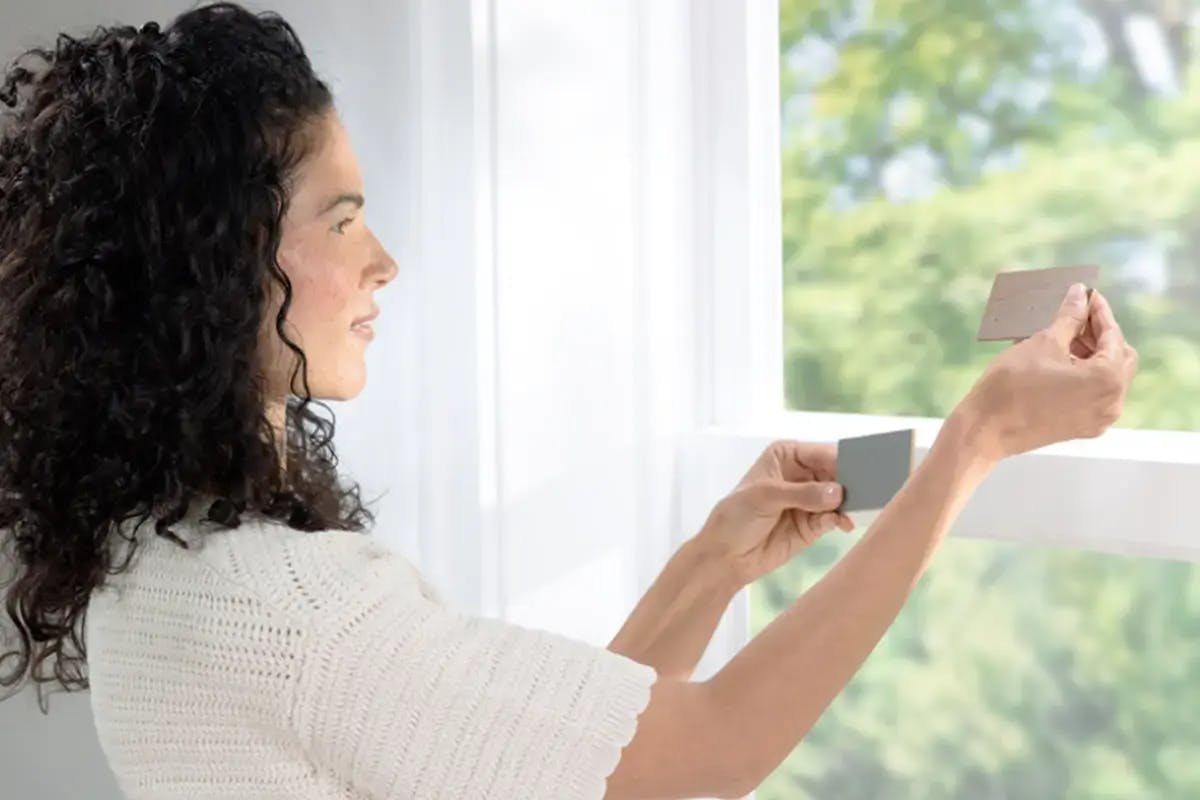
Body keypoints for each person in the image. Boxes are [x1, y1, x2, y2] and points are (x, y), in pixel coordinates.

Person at [0, 4, 1138, 799]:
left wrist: (712, 564)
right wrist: (974, 442)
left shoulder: (156, 560)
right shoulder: (293, 607)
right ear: (219, 262)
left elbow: (542, 769)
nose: (385, 260)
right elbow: (723, 744)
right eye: (342, 220)